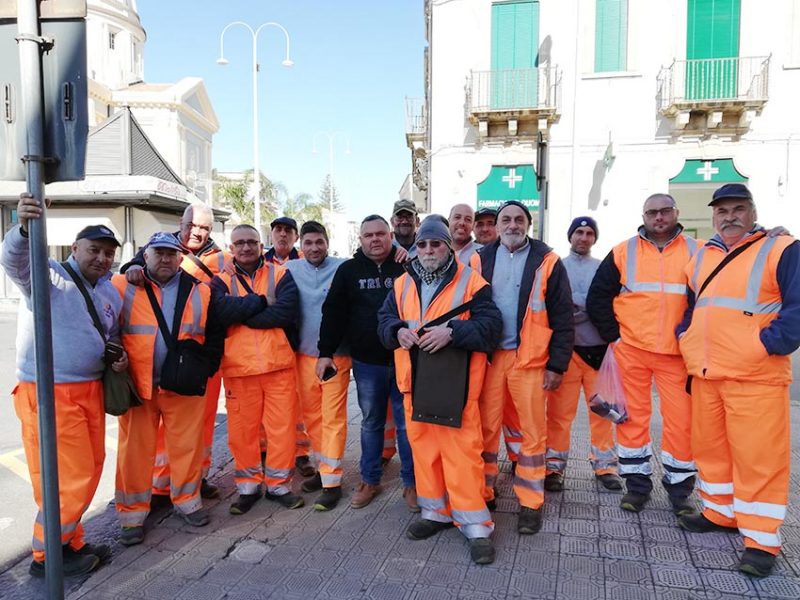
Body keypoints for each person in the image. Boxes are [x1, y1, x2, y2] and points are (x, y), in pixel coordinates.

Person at [676, 183, 800, 577]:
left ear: (753, 211)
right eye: (722, 210)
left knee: (759, 458)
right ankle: (719, 512)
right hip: (708, 372)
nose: (729, 217)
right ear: (713, 215)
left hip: (755, 375)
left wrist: (767, 344)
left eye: (738, 209)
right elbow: (693, 306)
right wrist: (686, 337)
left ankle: (761, 540)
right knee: (711, 450)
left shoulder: (781, 249)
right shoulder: (703, 256)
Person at [1, 194, 126, 578]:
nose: (102, 259)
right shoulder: (49, 274)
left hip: (88, 390)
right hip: (50, 392)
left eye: (108, 253)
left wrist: (116, 355)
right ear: (75, 248)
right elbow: (14, 261)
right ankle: (48, 557)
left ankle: (70, 540)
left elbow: (110, 333)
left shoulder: (108, 292)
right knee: (73, 475)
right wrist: (24, 230)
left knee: (85, 469)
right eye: (94, 250)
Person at [378, 216, 502, 564]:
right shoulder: (402, 284)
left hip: (456, 390)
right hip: (413, 387)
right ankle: (435, 512)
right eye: (423, 244)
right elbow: (384, 321)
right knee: (425, 453)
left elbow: (490, 327)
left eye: (436, 243)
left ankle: (476, 526)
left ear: (449, 246)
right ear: (416, 248)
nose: (429, 250)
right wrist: (396, 332)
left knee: (462, 456)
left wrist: (453, 333)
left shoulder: (472, 283)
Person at [586, 193, 698, 516]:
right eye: (652, 212)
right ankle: (636, 486)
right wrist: (615, 337)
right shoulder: (624, 251)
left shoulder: (698, 250)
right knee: (630, 420)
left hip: (677, 354)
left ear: (676, 213)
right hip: (631, 351)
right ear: (644, 215)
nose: (659, 217)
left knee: (682, 423)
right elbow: (598, 297)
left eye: (665, 211)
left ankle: (679, 492)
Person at [113, 232, 224, 546]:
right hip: (139, 385)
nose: (165, 259)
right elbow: (109, 328)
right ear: (145, 256)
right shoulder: (123, 285)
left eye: (171, 254)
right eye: (158, 253)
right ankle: (132, 514)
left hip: (183, 385)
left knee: (187, 447)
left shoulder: (201, 290)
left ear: (181, 258)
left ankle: (188, 502)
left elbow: (215, 334)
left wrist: (206, 367)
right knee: (134, 452)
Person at [473, 200, 574, 534]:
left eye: (519, 219)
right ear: (497, 226)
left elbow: (562, 316)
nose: (512, 225)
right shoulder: (479, 258)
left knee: (532, 434)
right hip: (489, 359)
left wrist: (557, 365)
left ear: (528, 224)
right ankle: (485, 492)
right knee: (484, 428)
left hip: (530, 360)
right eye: (506, 220)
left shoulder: (547, 261)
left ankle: (530, 502)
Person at [317, 215, 416, 510]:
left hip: (404, 358)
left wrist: (409, 258)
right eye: (368, 235)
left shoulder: (407, 266)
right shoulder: (348, 271)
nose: (375, 239)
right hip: (367, 362)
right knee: (371, 423)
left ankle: (412, 483)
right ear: (360, 240)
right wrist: (325, 351)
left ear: (391, 236)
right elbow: (333, 312)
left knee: (406, 424)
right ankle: (369, 480)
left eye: (380, 234)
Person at [210, 224, 303, 514]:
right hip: (239, 370)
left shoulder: (280, 274)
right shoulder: (220, 280)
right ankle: (248, 487)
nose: (246, 247)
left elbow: (286, 312)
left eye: (252, 242)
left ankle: (279, 486)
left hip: (279, 368)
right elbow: (219, 313)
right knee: (242, 433)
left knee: (282, 431)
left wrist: (243, 314)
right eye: (240, 243)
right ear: (231, 247)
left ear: (261, 245)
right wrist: (261, 302)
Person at [544, 217, 621, 492]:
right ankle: (553, 467)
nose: (584, 237)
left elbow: (610, 303)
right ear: (570, 236)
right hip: (566, 354)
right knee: (557, 415)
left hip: (598, 353)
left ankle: (605, 466)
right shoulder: (556, 267)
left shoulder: (603, 268)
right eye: (579, 232)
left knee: (602, 412)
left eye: (589, 233)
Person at [285, 222, 351, 511]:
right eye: (309, 242)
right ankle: (324, 470)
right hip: (303, 356)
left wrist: (399, 251)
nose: (314, 248)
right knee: (313, 419)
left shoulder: (344, 267)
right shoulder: (290, 269)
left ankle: (333, 482)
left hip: (337, 356)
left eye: (319, 242)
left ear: (327, 242)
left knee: (332, 417)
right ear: (301, 244)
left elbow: (378, 258)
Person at [263, 215, 314, 477]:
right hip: (268, 342)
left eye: (288, 231)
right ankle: (267, 450)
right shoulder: (260, 262)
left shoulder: (305, 262)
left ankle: (301, 452)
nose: (282, 235)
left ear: (295, 236)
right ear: (272, 234)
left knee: (299, 400)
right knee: (268, 403)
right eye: (278, 230)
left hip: (299, 340)